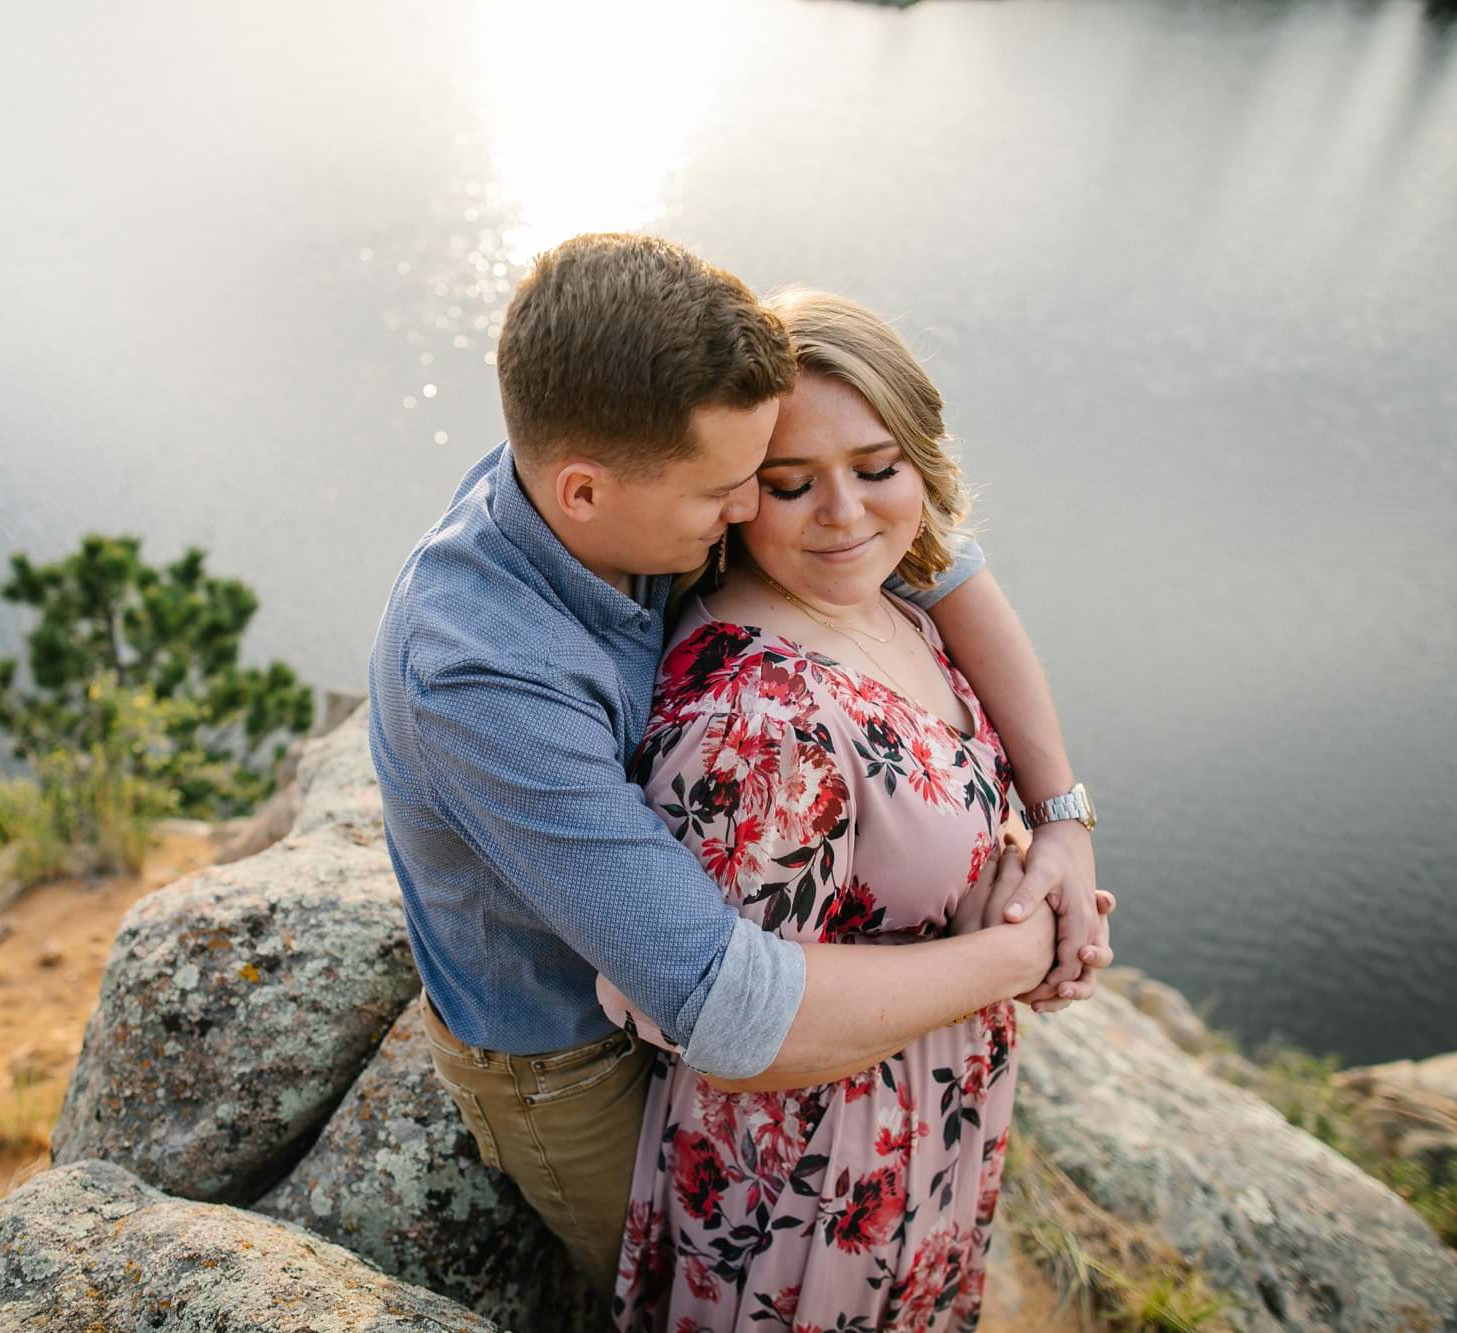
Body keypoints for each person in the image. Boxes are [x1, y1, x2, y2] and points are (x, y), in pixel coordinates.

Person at [367, 234, 1112, 1301]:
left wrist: (1062, 816)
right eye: (741, 488)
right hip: (571, 1057)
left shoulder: (616, 450)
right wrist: (1016, 956)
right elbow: (725, 1008)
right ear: (580, 492)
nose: (750, 515)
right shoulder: (481, 680)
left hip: (732, 1011)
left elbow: (942, 557)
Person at [599, 288, 1092, 1330]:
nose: (844, 512)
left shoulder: (889, 601)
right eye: (790, 484)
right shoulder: (761, 717)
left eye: (876, 468)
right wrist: (1017, 953)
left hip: (925, 1128)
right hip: (809, 1191)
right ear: (734, 495)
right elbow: (745, 1035)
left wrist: (1058, 833)